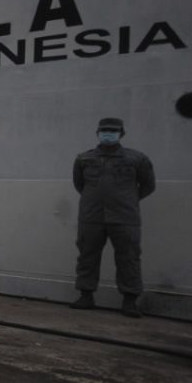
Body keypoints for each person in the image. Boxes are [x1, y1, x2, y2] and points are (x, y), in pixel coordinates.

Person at [70, 117, 156, 318]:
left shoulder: (137, 159)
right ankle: (86, 295)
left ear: (121, 134)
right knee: (87, 256)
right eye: (104, 130)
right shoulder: (83, 159)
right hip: (91, 217)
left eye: (112, 131)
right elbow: (80, 185)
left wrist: (127, 201)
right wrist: (96, 201)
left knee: (129, 258)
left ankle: (130, 301)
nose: (108, 134)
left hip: (124, 217)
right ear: (98, 133)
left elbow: (148, 186)